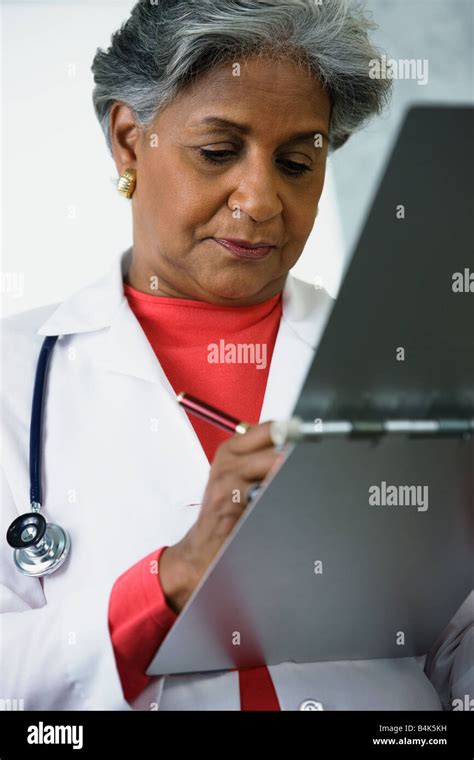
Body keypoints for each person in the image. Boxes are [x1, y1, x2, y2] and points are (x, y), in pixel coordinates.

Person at [1, 0, 471, 711]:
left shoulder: (408, 366)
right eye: (218, 152)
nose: (260, 201)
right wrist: (171, 582)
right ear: (130, 142)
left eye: (296, 163)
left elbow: (460, 636)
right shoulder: (15, 378)